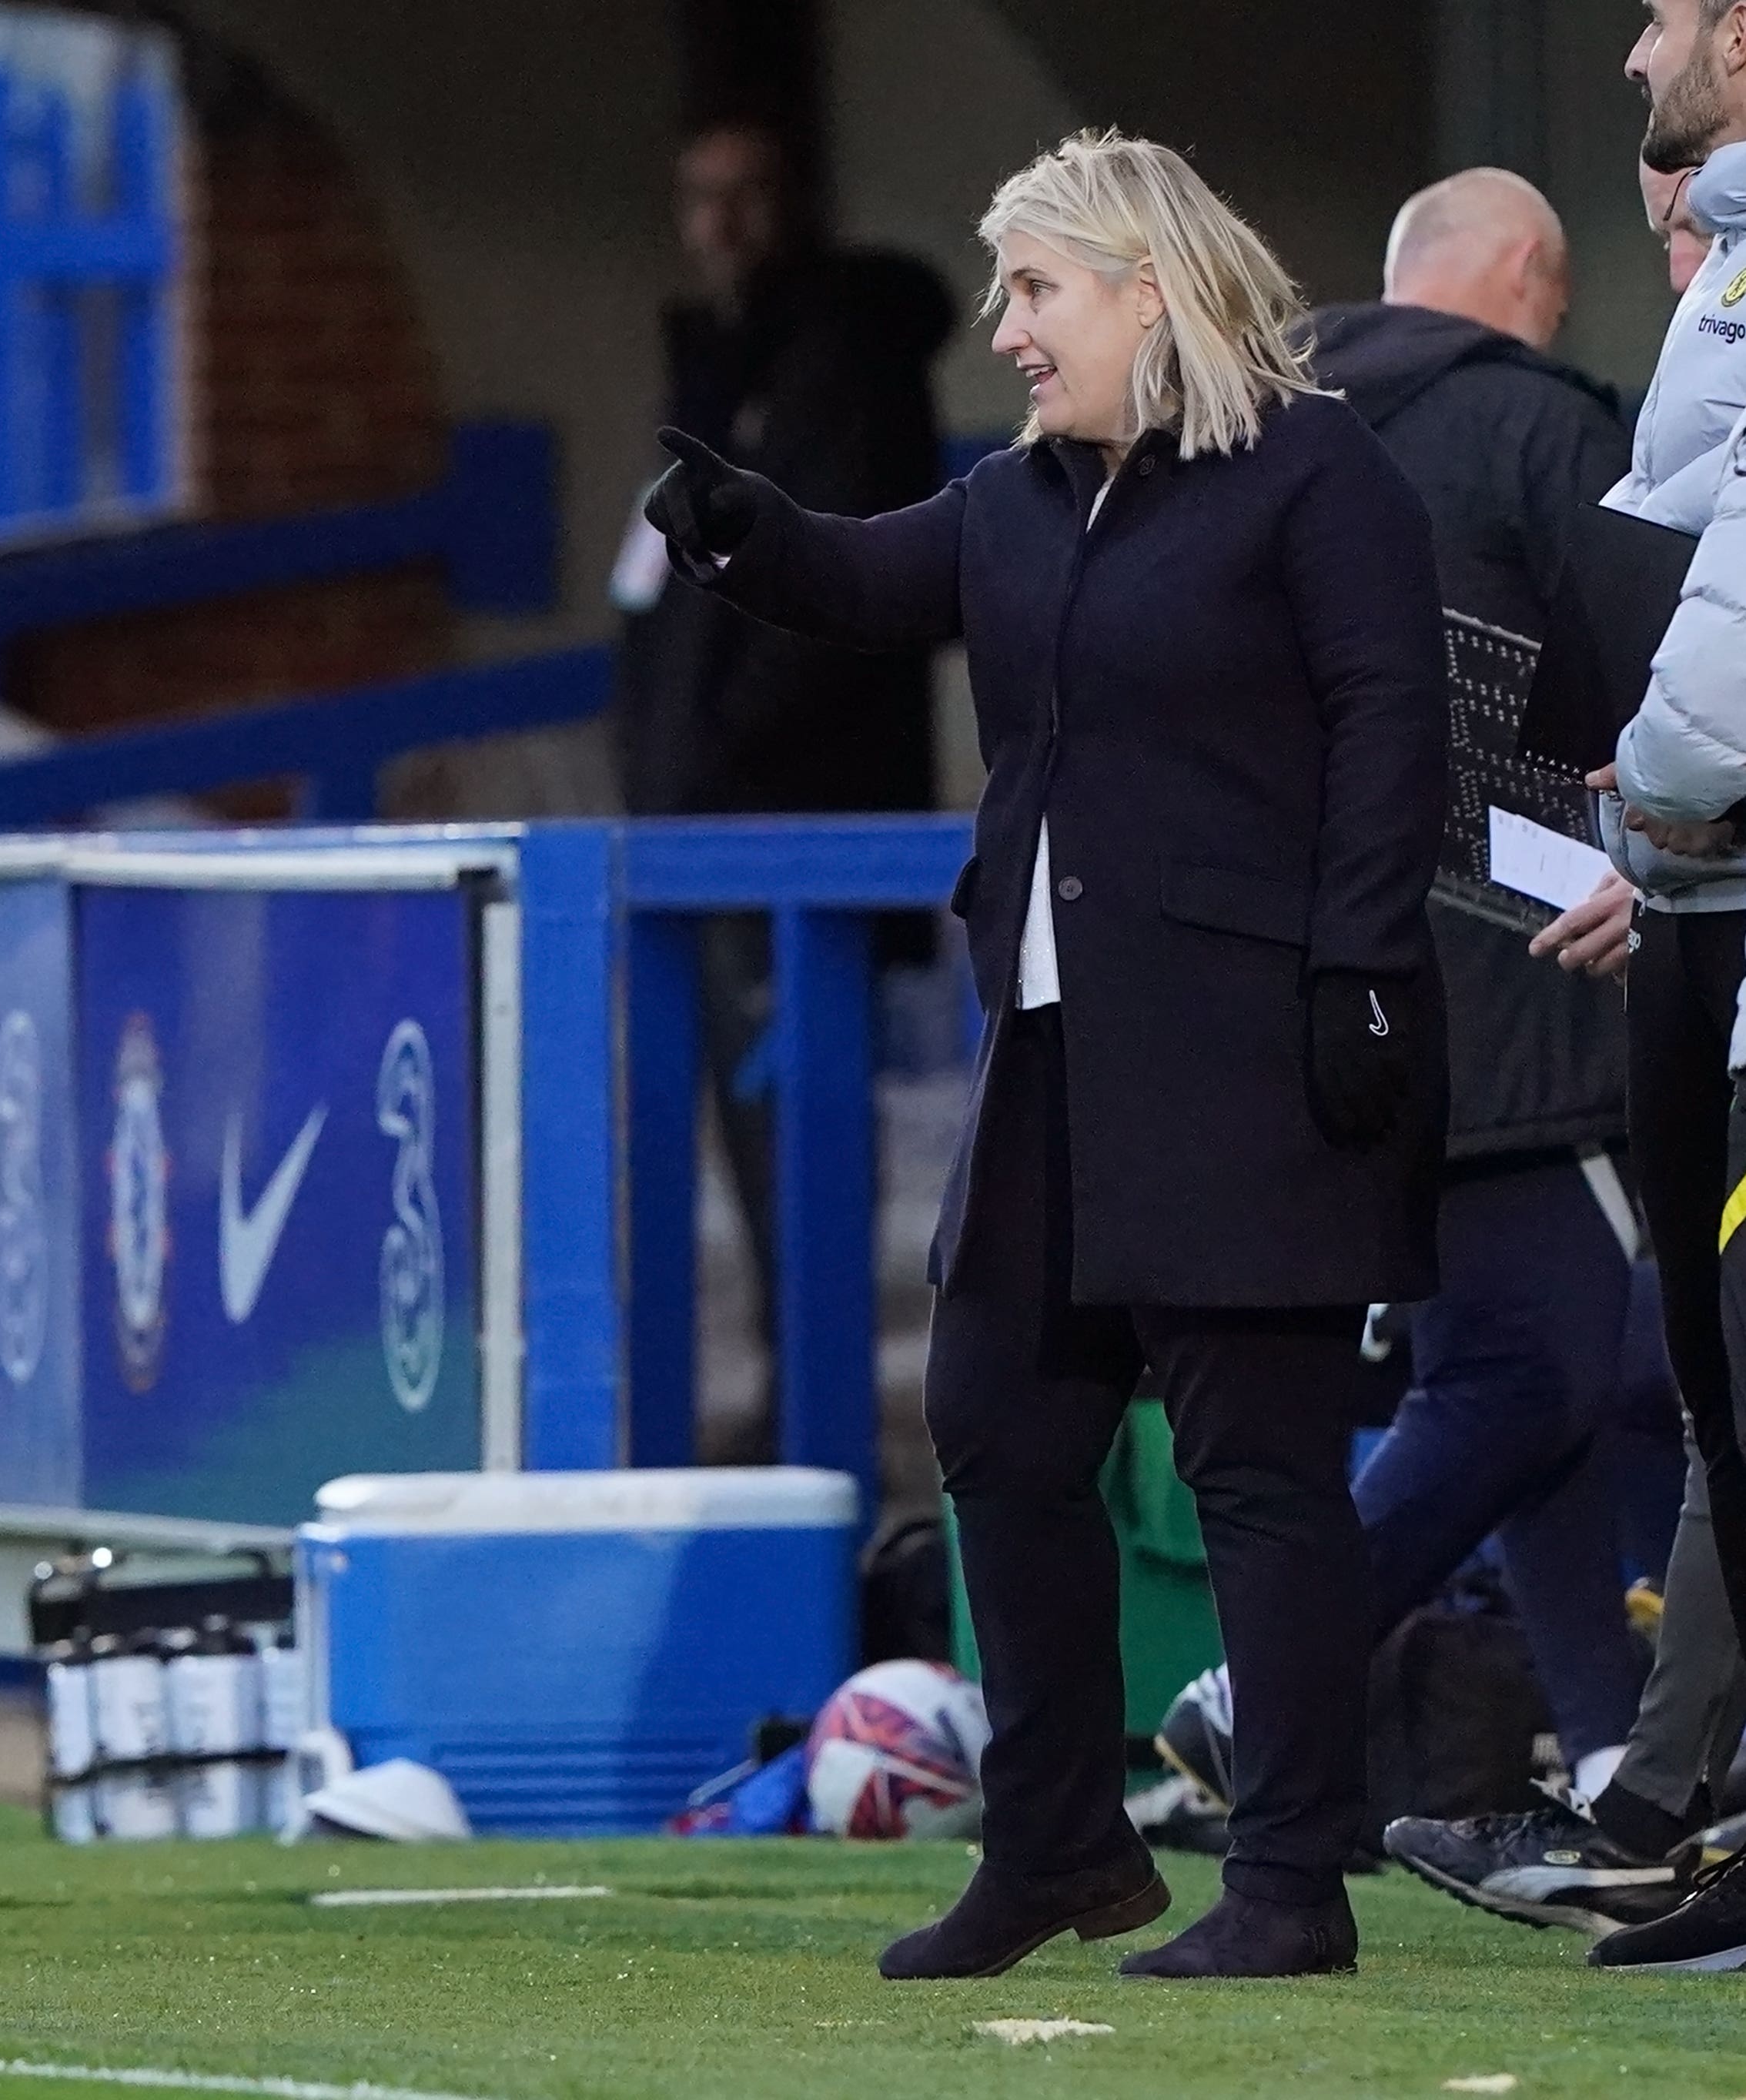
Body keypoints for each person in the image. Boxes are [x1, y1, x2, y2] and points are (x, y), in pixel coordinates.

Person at [648, 129, 1446, 1981]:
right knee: (999, 1425)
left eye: (1034, 290)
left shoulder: (1310, 474)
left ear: (1144, 288)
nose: (1004, 328)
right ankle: (1058, 1848)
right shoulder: (1015, 498)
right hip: (1056, 1053)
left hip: (1256, 1052)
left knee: (1258, 1468)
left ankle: (1289, 1882)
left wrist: (1358, 975)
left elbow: (1388, 727)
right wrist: (743, 531)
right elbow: (861, 577)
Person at [1156, 168, 1655, 1848]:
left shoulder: (1248, 436)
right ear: (1527, 279)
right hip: (1539, 979)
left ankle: (1612, 1760)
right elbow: (1661, 677)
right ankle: (1267, 1681)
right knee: (1550, 1368)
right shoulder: (1536, 423)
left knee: (1516, 1368)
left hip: (1321, 988)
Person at [1392, 3, 1746, 1964]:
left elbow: (1701, 631)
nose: (1624, 46)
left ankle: (1648, 1790)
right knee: (1658, 1376)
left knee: (1622, 1371)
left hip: (1645, 922)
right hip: (1652, 924)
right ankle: (1648, 1790)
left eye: (1669, 17)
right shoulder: (1638, 381)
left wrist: (1668, 802)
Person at [610, 119, 951, 1436]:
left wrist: (717, 750)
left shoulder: (842, 358)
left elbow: (835, 596)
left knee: (798, 1116)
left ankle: (820, 1403)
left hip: (792, 810)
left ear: (795, 202)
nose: (724, 224)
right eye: (702, 198)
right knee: (743, 1123)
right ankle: (791, 1380)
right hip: (707, 815)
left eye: (749, 195)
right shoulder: (711, 361)